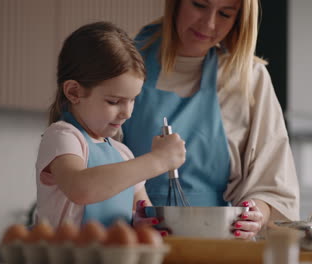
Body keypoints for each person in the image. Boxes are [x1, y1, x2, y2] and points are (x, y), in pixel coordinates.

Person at [121, 0, 300, 239]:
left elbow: (274, 185)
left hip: (217, 241)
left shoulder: (248, 80)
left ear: (239, 19)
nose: (209, 23)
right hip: (129, 240)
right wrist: (132, 211)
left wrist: (256, 214)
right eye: (199, 5)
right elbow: (87, 166)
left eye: (225, 14)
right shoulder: (122, 64)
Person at [35, 21, 186, 228]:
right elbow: (81, 188)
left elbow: (143, 215)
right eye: (114, 101)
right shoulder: (63, 137)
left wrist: (144, 223)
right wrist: (158, 160)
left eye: (133, 100)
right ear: (73, 92)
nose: (127, 112)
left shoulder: (123, 154)